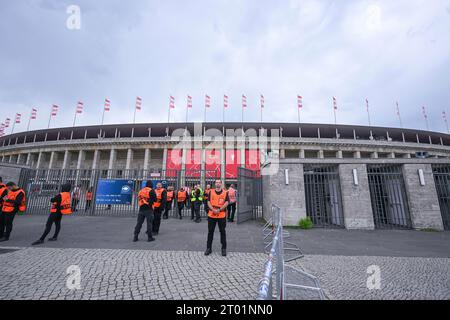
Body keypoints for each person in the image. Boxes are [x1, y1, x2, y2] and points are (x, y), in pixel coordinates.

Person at [205, 180, 229, 256]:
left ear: (221, 184)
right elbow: (208, 202)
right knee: (210, 232)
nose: (218, 183)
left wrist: (220, 209)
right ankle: (208, 248)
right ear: (215, 184)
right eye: (216, 182)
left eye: (219, 182)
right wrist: (213, 209)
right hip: (212, 214)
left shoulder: (225, 192)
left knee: (222, 232)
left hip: (221, 214)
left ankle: (224, 249)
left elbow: (227, 202)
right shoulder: (211, 192)